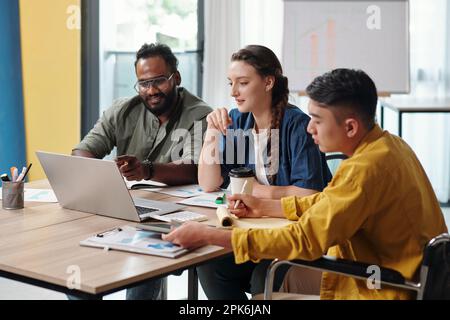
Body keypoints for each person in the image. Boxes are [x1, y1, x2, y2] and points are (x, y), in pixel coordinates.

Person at [163, 68, 448, 299]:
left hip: (382, 288)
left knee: (266, 280)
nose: (309, 127)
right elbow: (328, 203)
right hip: (412, 278)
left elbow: (304, 240)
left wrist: (208, 235)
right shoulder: (389, 145)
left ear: (350, 126)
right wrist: (265, 206)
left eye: (317, 120)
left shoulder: (363, 169)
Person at [71, 43, 212, 300]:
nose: (151, 91)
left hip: (171, 215)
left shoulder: (200, 115)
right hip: (124, 205)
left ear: (176, 78)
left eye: (159, 81)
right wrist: (100, 175)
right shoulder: (123, 109)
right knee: (75, 261)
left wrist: (146, 170)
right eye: (143, 83)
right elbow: (84, 151)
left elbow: (193, 169)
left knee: (143, 262)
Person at [195, 45, 332, 299]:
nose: (234, 92)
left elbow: (309, 194)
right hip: (256, 229)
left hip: (295, 237)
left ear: (268, 82)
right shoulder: (238, 120)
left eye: (243, 83)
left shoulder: (298, 125)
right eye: (231, 83)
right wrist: (211, 134)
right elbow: (209, 183)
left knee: (264, 276)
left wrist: (256, 191)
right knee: (210, 265)